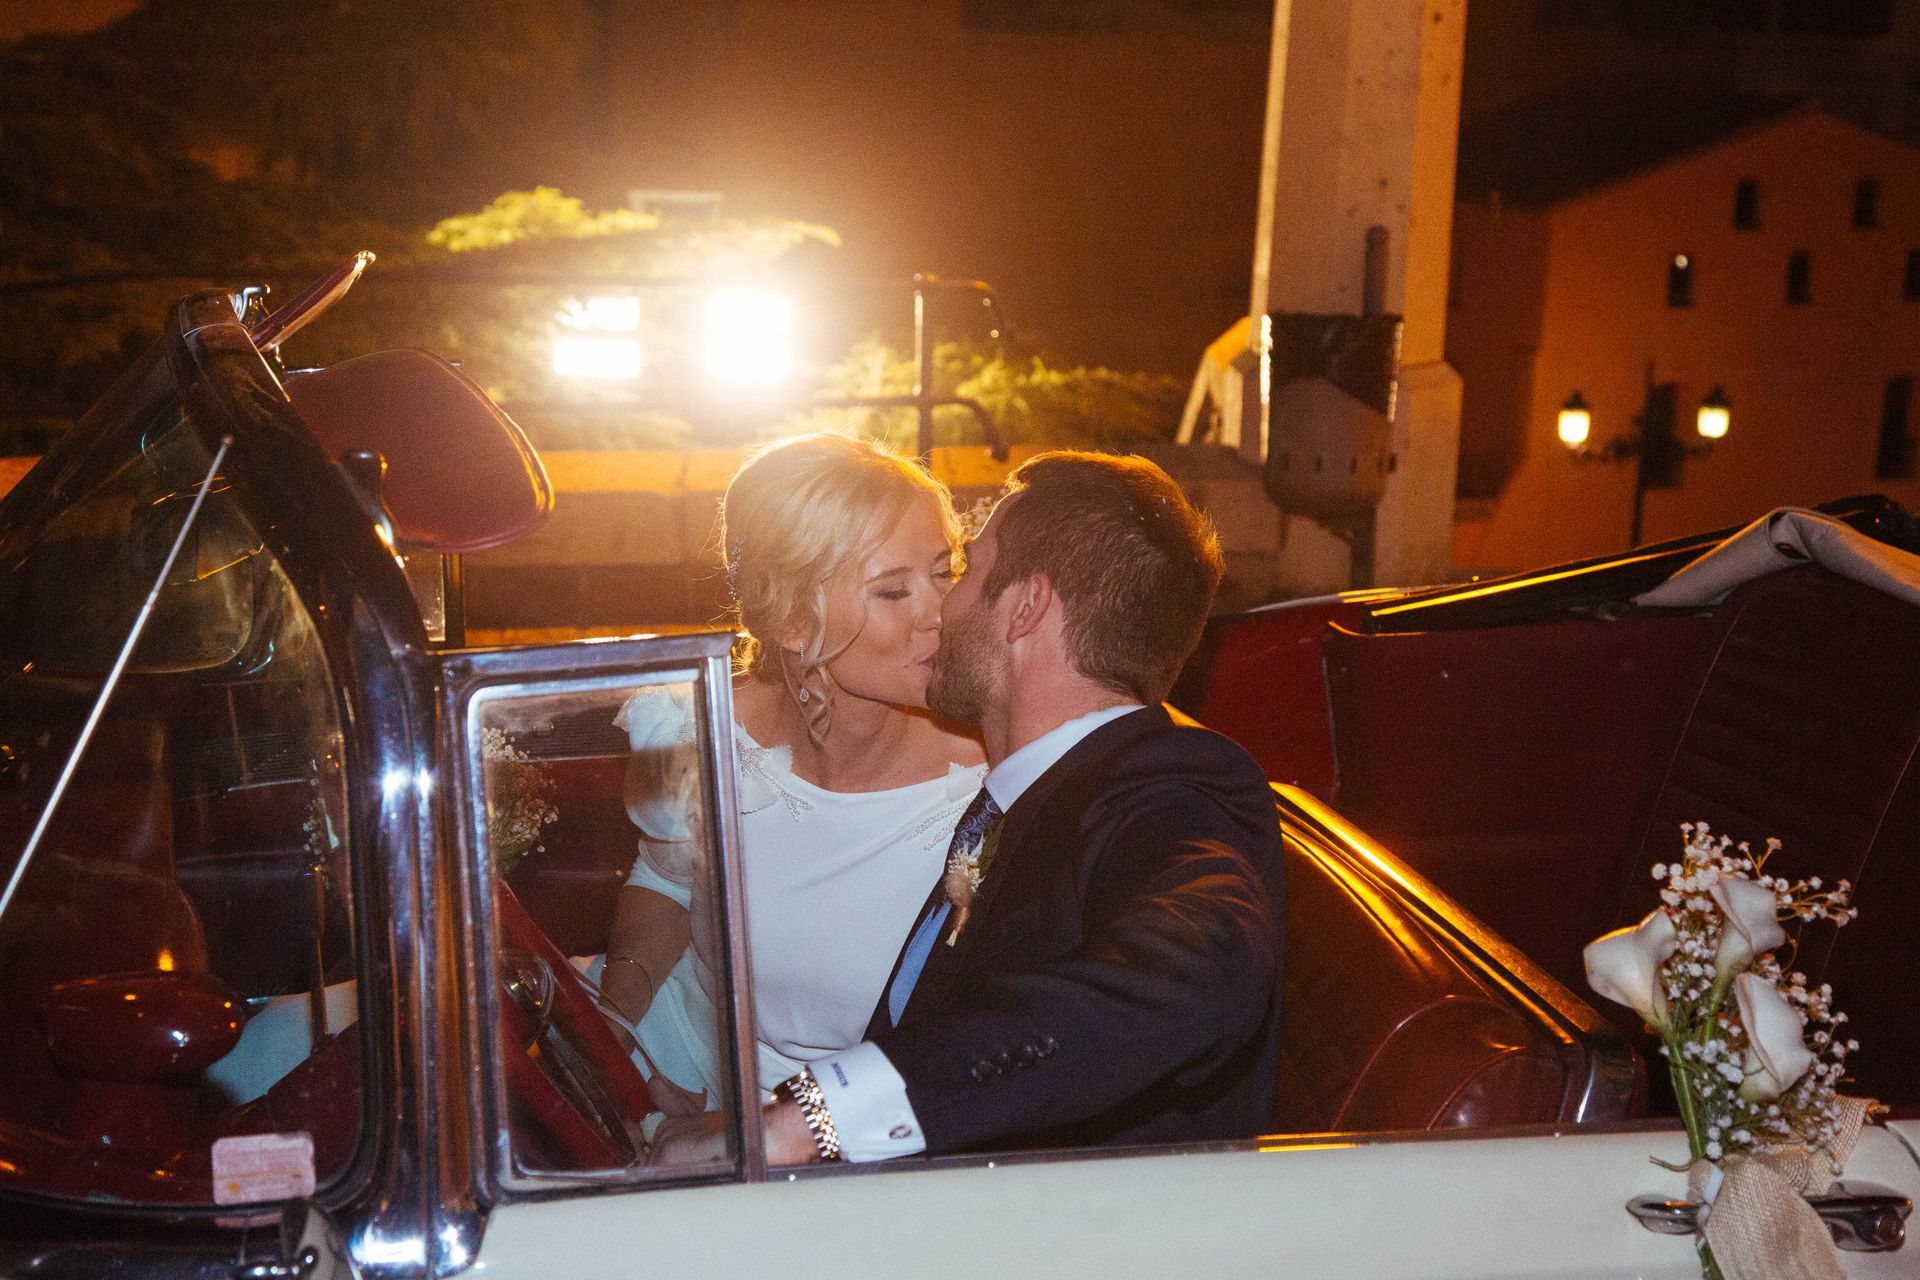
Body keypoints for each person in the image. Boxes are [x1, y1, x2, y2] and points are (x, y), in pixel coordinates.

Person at [655, 449, 1285, 1163]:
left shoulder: (1170, 784)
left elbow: (1204, 969)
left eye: (965, 570)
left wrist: (806, 1121)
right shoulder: (1026, 790)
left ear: (1024, 609)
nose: (942, 608)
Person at [600, 433, 986, 1112]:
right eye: (894, 590)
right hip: (673, 1066)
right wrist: (614, 1038)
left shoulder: (1003, 766)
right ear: (791, 623)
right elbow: (663, 881)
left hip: (866, 1137)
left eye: (945, 571)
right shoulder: (696, 733)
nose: (940, 612)